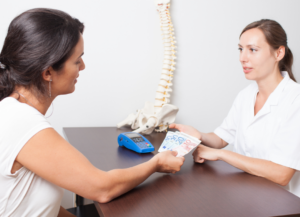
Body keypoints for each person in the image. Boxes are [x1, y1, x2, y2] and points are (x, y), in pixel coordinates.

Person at [0, 8, 185, 217]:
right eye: (77, 60)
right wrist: (156, 164)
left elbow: (36, 206)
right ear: (48, 72)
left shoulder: (14, 111)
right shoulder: (21, 121)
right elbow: (102, 188)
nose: (83, 66)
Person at [170, 19, 300, 198]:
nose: (242, 58)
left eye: (252, 50)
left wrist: (222, 155)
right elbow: (222, 137)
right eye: (241, 49)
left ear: (279, 53)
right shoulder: (246, 95)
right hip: (245, 193)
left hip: (282, 204)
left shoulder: (295, 100)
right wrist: (199, 135)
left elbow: (281, 174)